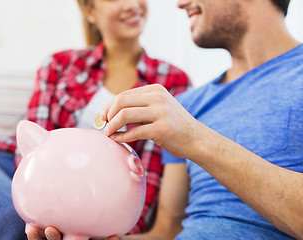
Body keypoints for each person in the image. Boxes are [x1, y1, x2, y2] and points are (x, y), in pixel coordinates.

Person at [0, 0, 190, 239]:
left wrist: (109, 229)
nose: (132, 4)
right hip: (13, 169)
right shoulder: (61, 65)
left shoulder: (171, 82)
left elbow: (148, 174)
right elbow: (31, 148)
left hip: (82, 200)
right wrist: (39, 207)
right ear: (90, 11)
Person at [100, 0, 303, 239]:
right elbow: (166, 232)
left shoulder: (183, 123)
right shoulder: (187, 106)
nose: (181, 4)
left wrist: (196, 140)